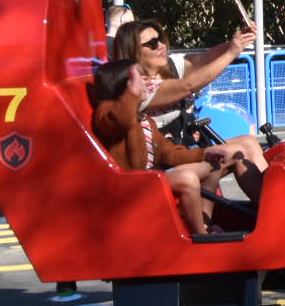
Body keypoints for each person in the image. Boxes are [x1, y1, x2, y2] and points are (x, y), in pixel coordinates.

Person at [111, 18, 267, 201]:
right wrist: (233, 51)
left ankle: (273, 201)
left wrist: (237, 41)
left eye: (160, 38)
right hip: (166, 162)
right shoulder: (139, 88)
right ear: (133, 51)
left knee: (248, 141)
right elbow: (188, 85)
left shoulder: (169, 66)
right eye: (152, 44)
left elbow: (205, 59)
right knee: (237, 151)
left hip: (187, 147)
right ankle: (272, 210)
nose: (161, 45)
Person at [91, 59, 233, 235]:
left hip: (149, 179)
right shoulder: (107, 112)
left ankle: (205, 223)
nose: (146, 83)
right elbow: (121, 121)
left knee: (213, 167)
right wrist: (133, 92)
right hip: (131, 184)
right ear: (123, 85)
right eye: (139, 79)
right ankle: (200, 235)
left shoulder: (144, 120)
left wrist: (204, 154)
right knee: (186, 178)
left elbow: (169, 152)